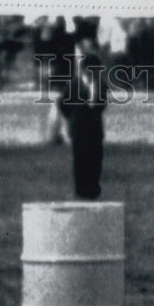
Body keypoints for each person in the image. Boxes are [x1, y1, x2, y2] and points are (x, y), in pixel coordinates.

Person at [56, 52, 108, 200]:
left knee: (95, 160)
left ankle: (93, 190)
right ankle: (81, 190)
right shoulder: (74, 84)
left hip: (95, 129)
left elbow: (103, 104)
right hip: (79, 129)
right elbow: (62, 103)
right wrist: (72, 118)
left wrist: (93, 110)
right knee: (80, 160)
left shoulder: (101, 85)